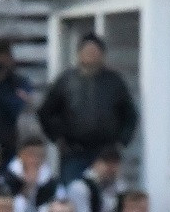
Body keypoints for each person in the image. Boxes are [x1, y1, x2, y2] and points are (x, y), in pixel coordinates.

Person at [36, 33, 137, 182]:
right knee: (73, 191)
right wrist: (57, 138)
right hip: (74, 153)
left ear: (102, 55)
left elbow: (130, 115)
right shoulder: (66, 81)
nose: (91, 55)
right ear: (79, 54)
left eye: (95, 51)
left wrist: (121, 142)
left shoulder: (114, 82)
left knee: (105, 193)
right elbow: (45, 112)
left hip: (105, 154)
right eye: (87, 51)